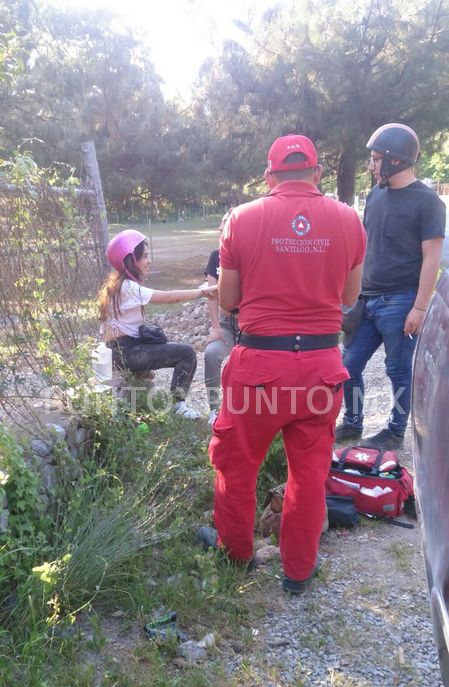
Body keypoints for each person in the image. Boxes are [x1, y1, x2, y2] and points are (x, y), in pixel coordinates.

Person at [198, 134, 366, 594]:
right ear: (316, 174)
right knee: (309, 474)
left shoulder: (241, 219)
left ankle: (236, 556)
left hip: (260, 368)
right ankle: (298, 571)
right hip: (320, 368)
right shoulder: (350, 220)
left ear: (269, 177)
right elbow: (349, 298)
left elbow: (229, 299)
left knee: (237, 465)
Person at [335, 123, 446, 449]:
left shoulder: (428, 203)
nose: (371, 165)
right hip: (367, 299)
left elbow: (431, 259)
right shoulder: (375, 195)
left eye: (375, 158)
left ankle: (396, 431)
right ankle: (352, 423)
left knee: (398, 370)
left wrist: (420, 307)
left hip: (401, 301)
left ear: (395, 160)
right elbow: (367, 247)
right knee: (347, 366)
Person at [98, 229, 217, 419]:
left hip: (120, 350)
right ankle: (178, 406)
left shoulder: (117, 285)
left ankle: (175, 405)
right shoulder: (127, 287)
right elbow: (171, 297)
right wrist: (203, 292)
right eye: (144, 256)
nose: (149, 261)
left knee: (164, 341)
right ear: (131, 260)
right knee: (186, 353)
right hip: (126, 353)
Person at [203, 210, 239, 426]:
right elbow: (211, 295)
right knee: (210, 354)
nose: (220, 228)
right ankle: (215, 410)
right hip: (226, 324)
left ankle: (247, 410)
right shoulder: (215, 256)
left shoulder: (251, 254)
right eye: (221, 223)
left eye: (225, 223)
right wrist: (215, 327)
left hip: (250, 326)